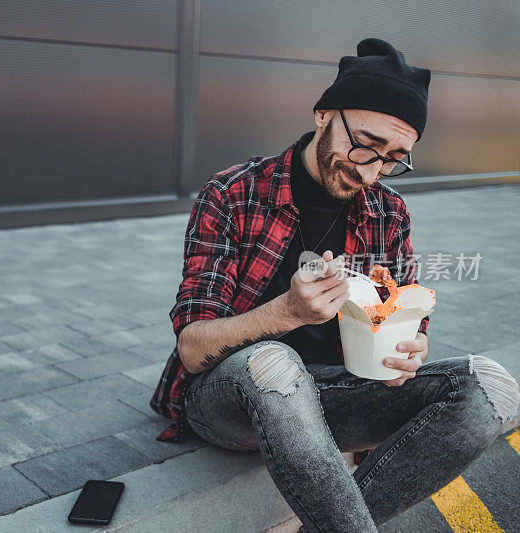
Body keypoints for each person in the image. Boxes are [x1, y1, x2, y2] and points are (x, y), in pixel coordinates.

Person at [149, 38, 519, 532]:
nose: (370, 170)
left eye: (393, 158)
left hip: (336, 393)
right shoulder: (233, 194)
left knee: (491, 387)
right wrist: (287, 313)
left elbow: (410, 310)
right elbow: (193, 349)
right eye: (364, 143)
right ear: (324, 114)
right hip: (231, 399)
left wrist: (411, 348)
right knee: (274, 361)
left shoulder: (389, 210)